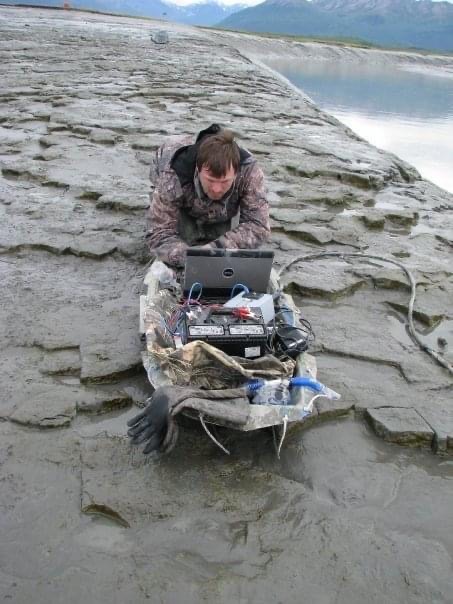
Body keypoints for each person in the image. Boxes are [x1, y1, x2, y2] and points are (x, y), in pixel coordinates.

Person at [146, 124, 271, 268]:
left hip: (226, 206)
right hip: (174, 176)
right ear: (198, 170)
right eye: (210, 180)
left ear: (236, 173)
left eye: (224, 181)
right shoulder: (173, 175)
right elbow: (157, 233)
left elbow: (259, 226)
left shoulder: (250, 173)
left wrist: (217, 247)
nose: (217, 189)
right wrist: (189, 257)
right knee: (180, 240)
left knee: (230, 241)